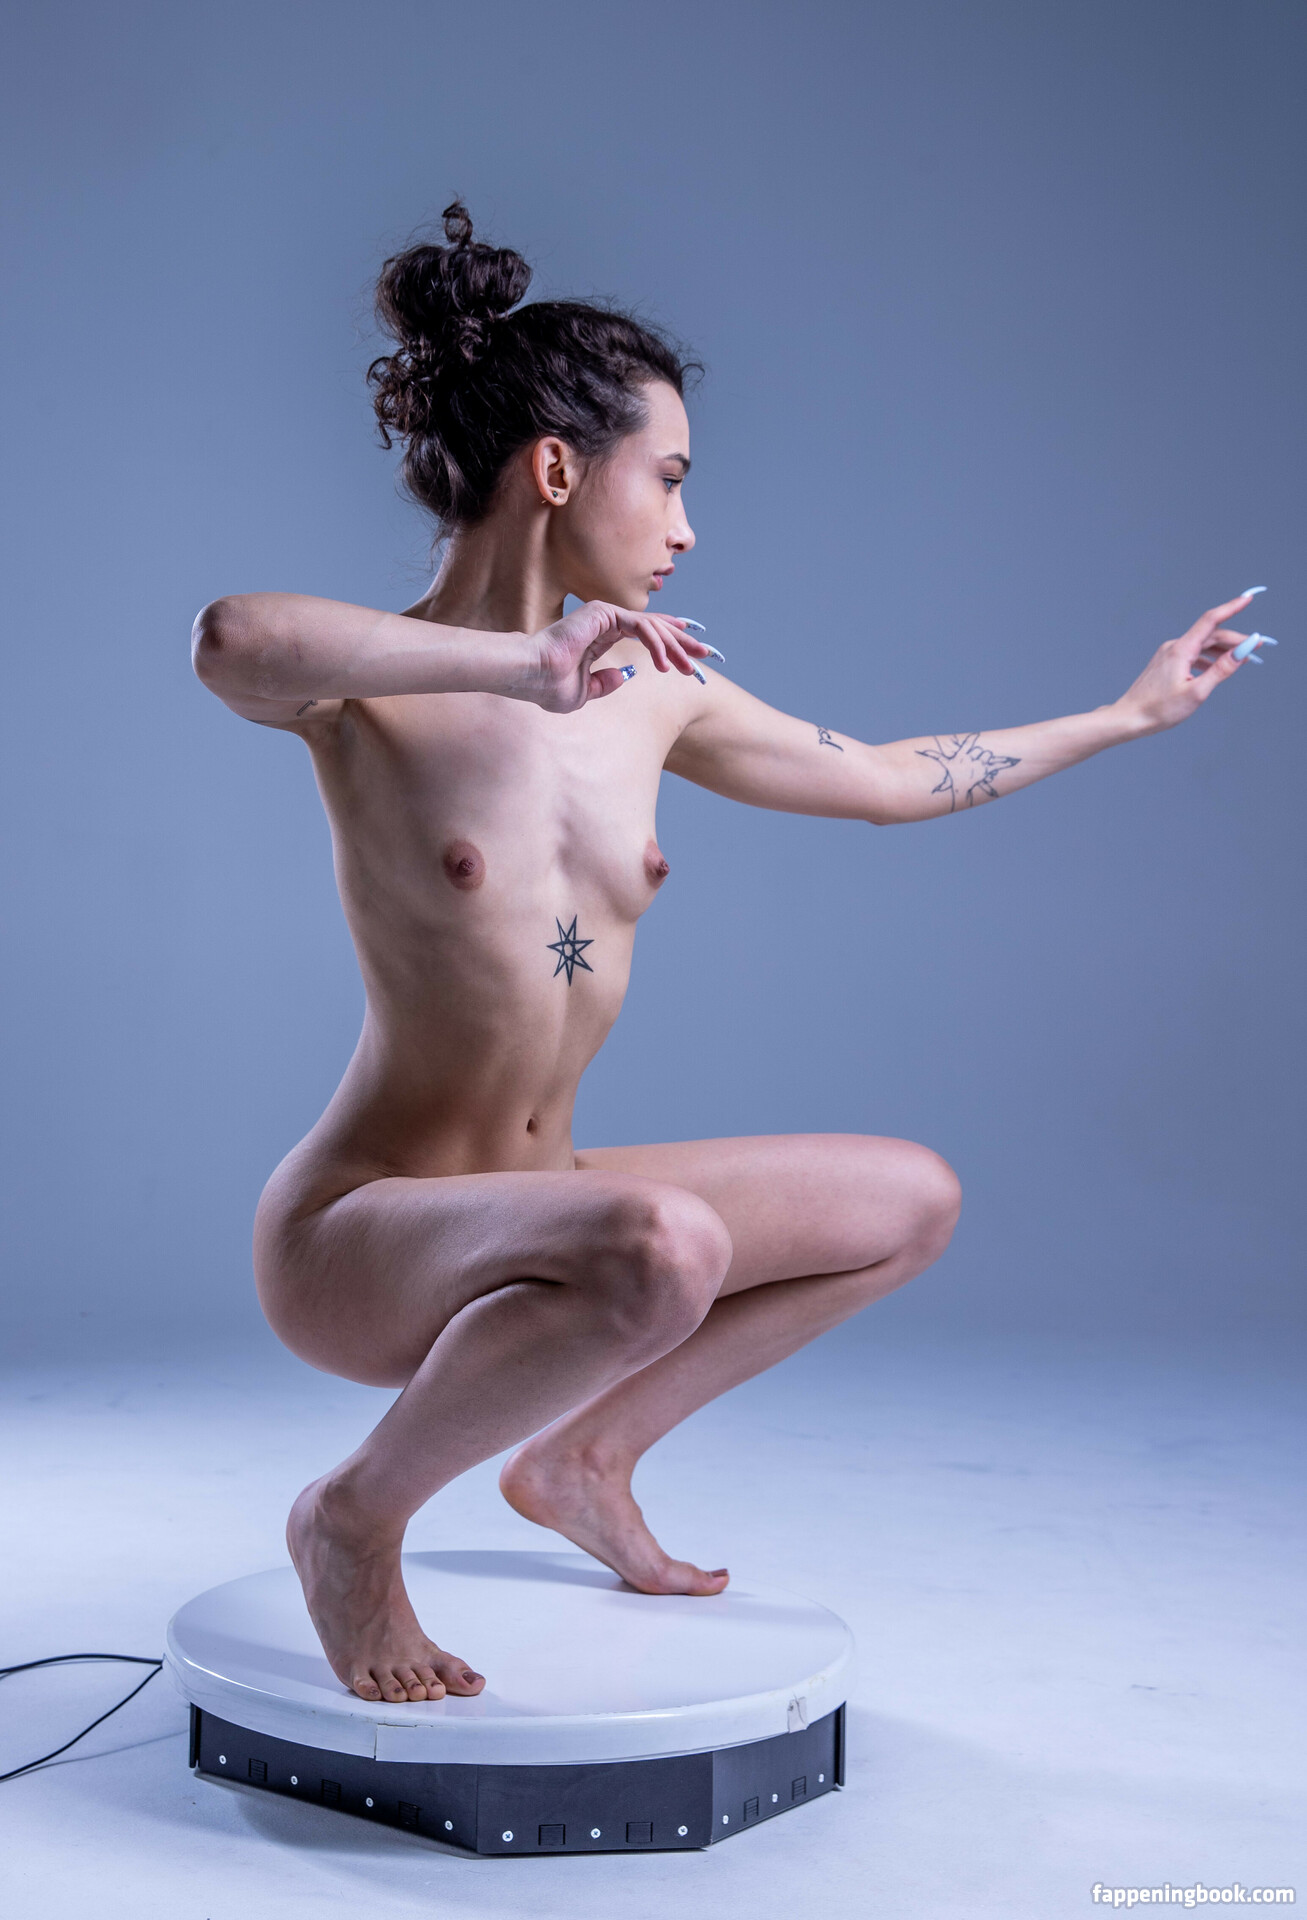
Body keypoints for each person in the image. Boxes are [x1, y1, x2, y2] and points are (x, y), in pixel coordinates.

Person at [192, 201, 1265, 1710]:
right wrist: (522, 663)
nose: (687, 528)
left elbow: (885, 776)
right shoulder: (377, 688)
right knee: (666, 1246)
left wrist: (1124, 716)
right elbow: (235, 639)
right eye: (672, 478)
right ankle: (354, 1517)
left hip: (551, 1205)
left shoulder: (653, 688)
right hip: (364, 1237)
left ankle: (584, 1455)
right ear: (557, 471)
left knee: (907, 1199)